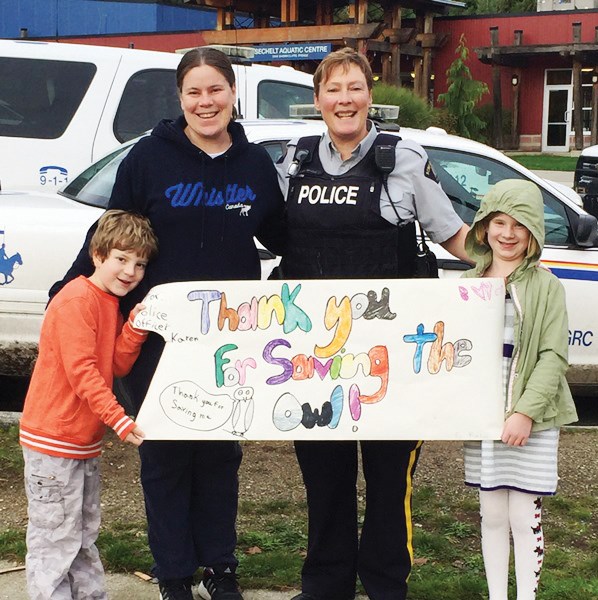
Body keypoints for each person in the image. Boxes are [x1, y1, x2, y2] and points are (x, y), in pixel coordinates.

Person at [49, 47, 285, 600]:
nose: (206, 102)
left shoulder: (253, 166)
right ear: (180, 99)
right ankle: (175, 574)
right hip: (155, 337)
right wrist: (68, 292)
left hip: (231, 337)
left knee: (219, 457)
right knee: (165, 457)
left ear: (232, 94)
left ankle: (220, 569)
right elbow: (111, 237)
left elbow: (285, 235)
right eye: (193, 92)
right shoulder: (148, 159)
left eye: (215, 90)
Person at [275, 47, 471, 600]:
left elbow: (452, 233)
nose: (344, 99)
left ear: (370, 96)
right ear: (317, 101)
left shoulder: (404, 157)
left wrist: (504, 262)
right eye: (333, 89)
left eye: (355, 87)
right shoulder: (294, 158)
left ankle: (387, 587)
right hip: (316, 357)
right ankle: (326, 586)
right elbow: (268, 233)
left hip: (392, 359)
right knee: (324, 478)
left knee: (389, 482)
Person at [20, 209, 158, 600]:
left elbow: (113, 363)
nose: (130, 271)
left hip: (81, 441)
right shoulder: (75, 300)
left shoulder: (106, 302)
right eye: (121, 258)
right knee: (54, 538)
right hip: (52, 441)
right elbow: (83, 372)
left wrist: (134, 328)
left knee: (82, 533)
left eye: (140, 264)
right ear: (97, 255)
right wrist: (119, 418)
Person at [461, 179, 578, 600]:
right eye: (499, 222)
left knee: (522, 510)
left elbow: (553, 356)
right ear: (483, 227)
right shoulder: (469, 284)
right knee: (491, 512)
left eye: (520, 225)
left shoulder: (547, 286)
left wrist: (525, 412)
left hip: (533, 417)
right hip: (486, 418)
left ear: (533, 233)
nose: (508, 234)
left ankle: (525, 595)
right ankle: (497, 595)